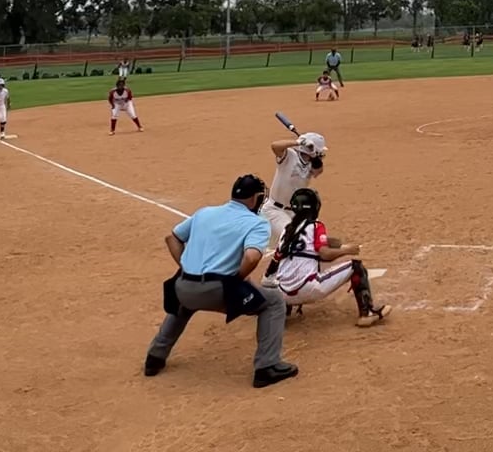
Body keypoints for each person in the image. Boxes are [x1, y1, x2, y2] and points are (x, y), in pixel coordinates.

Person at [143, 174, 298, 387]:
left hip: (183, 287)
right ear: (255, 199)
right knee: (273, 302)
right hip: (217, 291)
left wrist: (187, 267)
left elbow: (172, 238)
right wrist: (237, 280)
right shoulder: (257, 223)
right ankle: (267, 366)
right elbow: (252, 257)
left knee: (184, 304)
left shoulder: (205, 212)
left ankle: (154, 357)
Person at [268, 187, 393, 327]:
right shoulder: (316, 226)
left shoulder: (287, 230)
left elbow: (278, 258)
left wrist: (336, 243)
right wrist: (346, 251)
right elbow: (324, 254)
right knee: (356, 267)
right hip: (307, 288)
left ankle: (283, 312)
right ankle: (367, 313)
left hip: (282, 294)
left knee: (289, 269)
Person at [263, 132, 326, 253]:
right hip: (275, 210)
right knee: (293, 239)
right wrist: (298, 142)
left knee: (312, 234)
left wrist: (313, 155)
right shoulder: (289, 156)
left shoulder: (312, 164)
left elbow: (318, 171)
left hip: (295, 211)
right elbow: (275, 146)